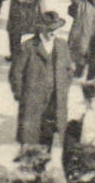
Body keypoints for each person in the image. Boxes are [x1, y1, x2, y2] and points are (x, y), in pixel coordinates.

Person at [10, 10, 70, 154]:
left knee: (48, 135)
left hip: (54, 100)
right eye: (49, 29)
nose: (52, 32)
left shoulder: (61, 45)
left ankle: (44, 163)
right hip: (32, 100)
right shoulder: (28, 47)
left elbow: (68, 70)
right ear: (40, 29)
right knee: (30, 137)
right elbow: (15, 73)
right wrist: (21, 95)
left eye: (55, 29)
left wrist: (63, 88)